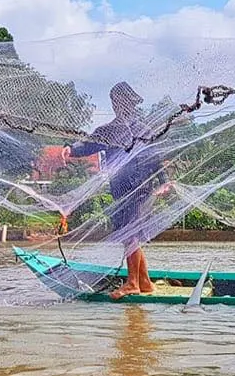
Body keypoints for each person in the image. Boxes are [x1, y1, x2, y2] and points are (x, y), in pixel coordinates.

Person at [71, 82, 167, 298]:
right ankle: (145, 282)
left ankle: (132, 283)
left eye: (125, 101)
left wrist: (163, 180)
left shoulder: (142, 130)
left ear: (131, 103)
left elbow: (156, 158)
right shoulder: (111, 130)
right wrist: (70, 149)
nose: (121, 106)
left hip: (139, 187)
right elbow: (88, 144)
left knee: (130, 233)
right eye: (118, 101)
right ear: (115, 103)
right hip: (122, 188)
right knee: (129, 235)